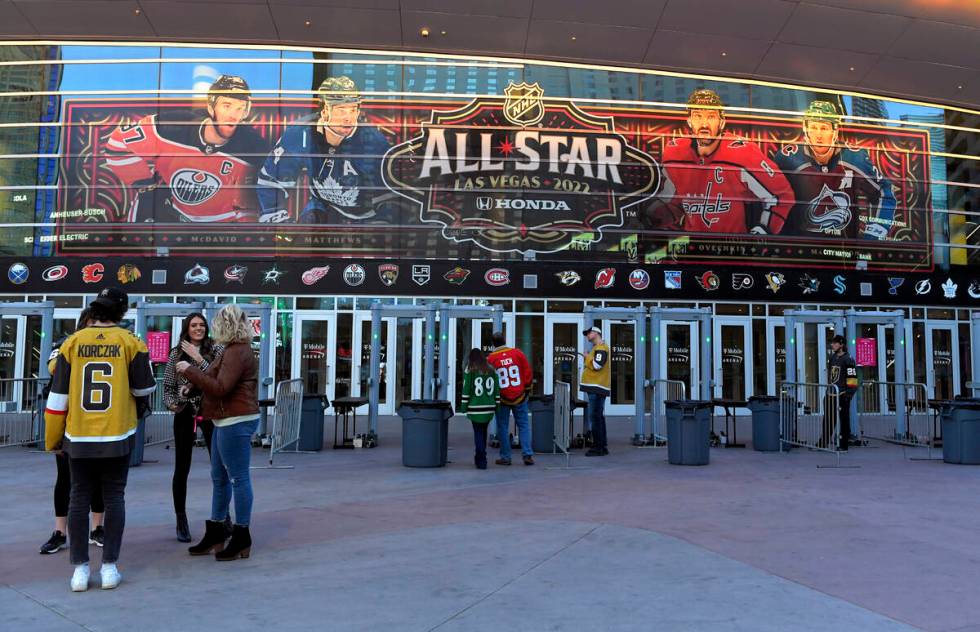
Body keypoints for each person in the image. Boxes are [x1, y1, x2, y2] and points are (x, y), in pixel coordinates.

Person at [45, 287, 156, 592]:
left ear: (94, 310)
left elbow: (57, 397)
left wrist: (53, 437)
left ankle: (80, 570)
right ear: (121, 312)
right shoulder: (131, 343)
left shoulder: (72, 343)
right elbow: (145, 390)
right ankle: (109, 567)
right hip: (117, 432)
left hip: (78, 434)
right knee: (114, 497)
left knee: (78, 497)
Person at [104, 74, 267, 223]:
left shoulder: (255, 147)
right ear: (211, 107)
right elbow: (118, 143)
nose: (234, 115)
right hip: (169, 218)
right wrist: (146, 184)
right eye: (227, 105)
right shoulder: (175, 127)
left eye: (240, 108)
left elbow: (259, 199)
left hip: (218, 232)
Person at [641, 88, 794, 237]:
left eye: (711, 116)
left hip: (731, 250)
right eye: (698, 116)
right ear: (689, 121)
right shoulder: (674, 152)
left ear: (722, 122)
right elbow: (672, 203)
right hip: (691, 249)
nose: (704, 124)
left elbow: (781, 196)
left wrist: (759, 235)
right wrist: (649, 217)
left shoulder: (743, 152)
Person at [178, 305, 259, 561]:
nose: (211, 328)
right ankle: (216, 531)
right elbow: (212, 373)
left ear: (225, 325)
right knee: (220, 477)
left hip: (236, 419)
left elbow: (221, 387)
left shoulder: (237, 352)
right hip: (226, 420)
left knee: (237, 478)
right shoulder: (230, 350)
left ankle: (241, 534)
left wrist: (189, 371)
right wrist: (190, 388)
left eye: (215, 323)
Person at [256, 76, 394, 224]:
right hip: (321, 207)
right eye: (341, 110)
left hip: (364, 217)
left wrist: (381, 225)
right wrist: (277, 218)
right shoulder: (300, 133)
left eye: (353, 109)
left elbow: (388, 195)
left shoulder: (373, 141)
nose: (349, 117)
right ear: (324, 111)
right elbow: (271, 180)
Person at [773, 100, 897, 240]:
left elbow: (884, 192)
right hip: (799, 248)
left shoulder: (854, 157)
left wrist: (876, 231)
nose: (818, 135)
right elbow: (770, 195)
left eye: (824, 128)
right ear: (806, 129)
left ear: (835, 131)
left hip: (844, 249)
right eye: (813, 127)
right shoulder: (787, 158)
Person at [39, 308, 105, 555]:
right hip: (68, 422)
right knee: (65, 477)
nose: (96, 327)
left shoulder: (109, 346)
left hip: (98, 422)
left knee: (98, 476)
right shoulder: (67, 344)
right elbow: (53, 367)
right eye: (92, 322)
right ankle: (59, 532)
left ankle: (97, 527)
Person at [163, 313, 224, 543]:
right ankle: (181, 519)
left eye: (201, 325)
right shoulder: (175, 353)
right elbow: (167, 386)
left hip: (210, 413)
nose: (198, 329)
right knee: (182, 467)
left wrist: (197, 358)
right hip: (186, 412)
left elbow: (218, 378)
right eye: (194, 325)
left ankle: (223, 516)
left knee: (219, 465)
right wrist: (174, 405)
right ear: (186, 328)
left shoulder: (216, 351)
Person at [487, 332, 534, 466]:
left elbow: (490, 379)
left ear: (493, 344)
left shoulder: (491, 359)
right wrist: (527, 389)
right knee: (524, 425)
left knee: (502, 427)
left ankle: (506, 457)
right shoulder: (517, 353)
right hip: (520, 395)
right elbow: (527, 371)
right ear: (504, 341)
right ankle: (527, 455)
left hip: (502, 398)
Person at [459, 348, 500, 470]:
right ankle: (481, 458)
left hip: (475, 407)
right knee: (483, 431)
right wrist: (497, 405)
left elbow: (466, 390)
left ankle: (481, 459)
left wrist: (463, 407)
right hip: (489, 407)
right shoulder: (491, 369)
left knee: (478, 433)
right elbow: (497, 389)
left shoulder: (470, 369)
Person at [580, 326, 611, 457]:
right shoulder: (598, 348)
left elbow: (597, 365)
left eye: (588, 333)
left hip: (596, 387)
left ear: (595, 333)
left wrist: (587, 357)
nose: (587, 335)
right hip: (597, 387)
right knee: (598, 417)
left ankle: (597, 447)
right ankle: (602, 446)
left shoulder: (600, 348)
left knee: (595, 417)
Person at [825, 334, 858, 451]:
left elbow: (853, 379)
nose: (832, 345)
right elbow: (831, 375)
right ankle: (823, 441)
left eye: (835, 343)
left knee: (844, 420)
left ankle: (844, 445)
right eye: (832, 343)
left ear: (841, 345)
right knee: (828, 419)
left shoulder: (848, 359)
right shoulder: (833, 357)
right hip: (831, 393)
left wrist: (848, 395)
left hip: (842, 394)